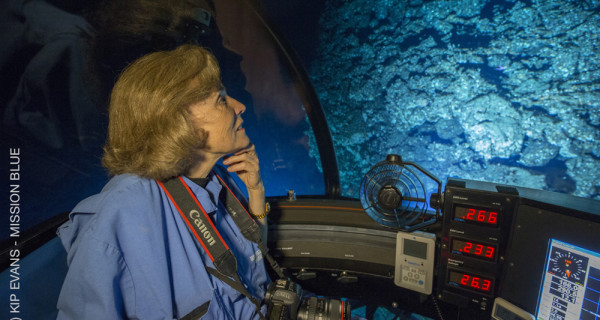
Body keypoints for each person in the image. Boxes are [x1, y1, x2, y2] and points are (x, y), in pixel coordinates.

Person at [56, 44, 270, 319]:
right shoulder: (122, 212)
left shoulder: (217, 178)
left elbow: (253, 263)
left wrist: (256, 191)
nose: (240, 107)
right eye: (221, 99)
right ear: (177, 122)